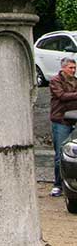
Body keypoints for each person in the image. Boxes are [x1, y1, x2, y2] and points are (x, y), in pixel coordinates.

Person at [51, 57, 77, 196]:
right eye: (70, 68)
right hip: (60, 120)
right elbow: (61, 96)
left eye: (74, 68)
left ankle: (72, 184)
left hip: (75, 119)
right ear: (63, 68)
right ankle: (57, 184)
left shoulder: (76, 81)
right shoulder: (55, 80)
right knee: (60, 153)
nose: (73, 70)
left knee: (73, 155)